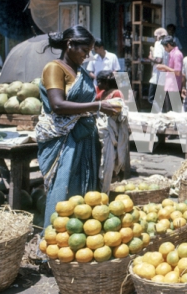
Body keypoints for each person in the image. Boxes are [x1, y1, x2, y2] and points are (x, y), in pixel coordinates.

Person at [36, 26, 121, 225]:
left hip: (85, 138)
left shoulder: (79, 71)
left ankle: (83, 232)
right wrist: (99, 106)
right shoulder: (54, 68)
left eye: (89, 51)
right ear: (70, 44)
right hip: (66, 141)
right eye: (84, 50)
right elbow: (57, 105)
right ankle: (55, 235)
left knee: (85, 191)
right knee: (64, 188)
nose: (87, 55)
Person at [95, 71, 129, 192]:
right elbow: (94, 104)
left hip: (113, 131)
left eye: (101, 82)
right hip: (103, 130)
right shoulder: (103, 94)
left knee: (112, 159)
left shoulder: (116, 93)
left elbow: (118, 110)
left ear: (107, 82)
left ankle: (110, 185)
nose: (98, 84)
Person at [157, 36, 184, 113]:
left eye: (164, 47)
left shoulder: (177, 54)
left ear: (168, 45)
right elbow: (173, 70)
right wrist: (164, 69)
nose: (165, 49)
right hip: (170, 86)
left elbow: (177, 72)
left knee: (171, 112)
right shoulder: (173, 53)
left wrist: (164, 67)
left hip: (173, 87)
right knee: (168, 110)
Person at [148, 27, 168, 112]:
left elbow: (159, 60)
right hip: (164, 75)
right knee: (160, 97)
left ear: (158, 36)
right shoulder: (167, 45)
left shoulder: (158, 44)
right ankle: (161, 112)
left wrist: (151, 58)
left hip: (157, 75)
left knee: (151, 98)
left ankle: (159, 112)